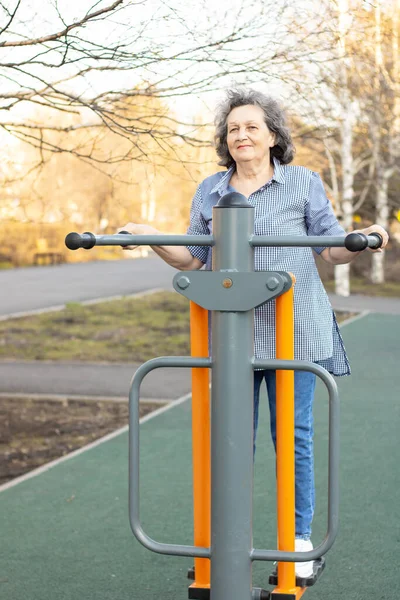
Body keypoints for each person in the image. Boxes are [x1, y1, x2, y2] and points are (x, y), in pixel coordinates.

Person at [118, 88, 389, 578]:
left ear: (272, 136)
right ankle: (227, 542)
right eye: (233, 128)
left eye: (252, 127)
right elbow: (194, 257)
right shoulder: (210, 189)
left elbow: (330, 250)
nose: (241, 135)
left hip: (295, 329)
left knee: (294, 437)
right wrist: (152, 238)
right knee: (232, 439)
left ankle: (299, 542)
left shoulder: (303, 181)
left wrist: (361, 241)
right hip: (233, 331)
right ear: (226, 139)